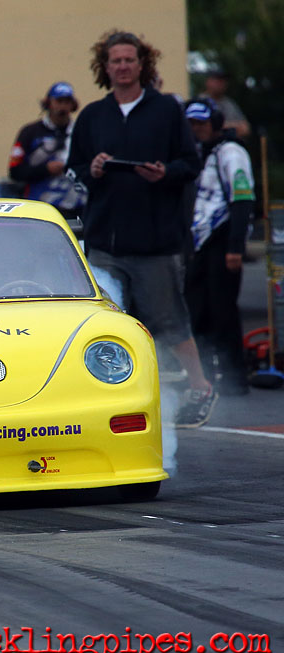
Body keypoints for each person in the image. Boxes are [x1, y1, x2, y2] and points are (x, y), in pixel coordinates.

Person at [66, 30, 214, 428]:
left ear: (142, 64)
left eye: (129, 59)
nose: (123, 66)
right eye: (115, 60)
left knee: (168, 321)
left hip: (156, 243)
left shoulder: (166, 110)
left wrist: (165, 173)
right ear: (105, 66)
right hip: (105, 244)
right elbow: (74, 170)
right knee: (105, 324)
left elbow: (190, 164)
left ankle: (200, 387)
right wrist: (92, 170)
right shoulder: (92, 116)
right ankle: (112, 395)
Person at [183, 98, 255, 395]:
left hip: (223, 240)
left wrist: (235, 248)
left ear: (214, 122)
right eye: (191, 123)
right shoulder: (198, 153)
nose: (196, 128)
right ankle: (207, 375)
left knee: (223, 310)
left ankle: (235, 378)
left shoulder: (231, 152)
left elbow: (243, 199)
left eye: (201, 123)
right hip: (199, 242)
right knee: (197, 309)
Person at [8, 82, 86, 218]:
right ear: (49, 103)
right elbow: (15, 171)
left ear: (73, 105)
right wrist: (46, 169)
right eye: (59, 101)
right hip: (39, 209)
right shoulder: (30, 133)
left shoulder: (82, 132)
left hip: (76, 207)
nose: (62, 107)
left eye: (67, 102)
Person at [203, 70, 250, 141]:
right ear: (208, 82)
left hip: (229, 144)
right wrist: (233, 127)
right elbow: (203, 130)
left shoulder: (229, 103)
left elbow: (245, 129)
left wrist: (219, 128)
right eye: (217, 80)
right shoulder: (200, 102)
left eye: (223, 81)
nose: (221, 83)